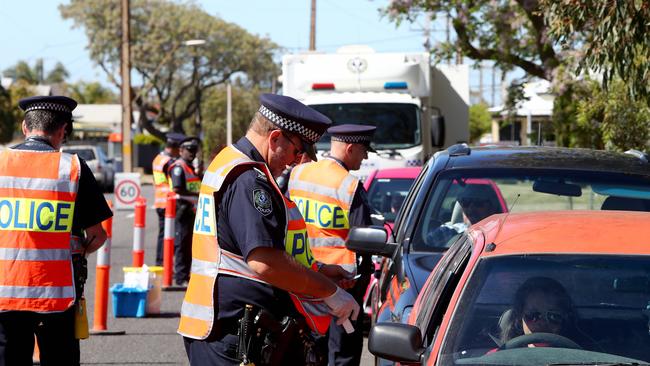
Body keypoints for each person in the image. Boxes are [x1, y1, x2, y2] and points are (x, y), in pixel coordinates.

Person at [178, 94, 360, 366]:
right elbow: (264, 261)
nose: (297, 161)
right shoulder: (249, 181)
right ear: (275, 138)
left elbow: (244, 250)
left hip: (228, 327)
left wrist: (319, 270)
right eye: (298, 151)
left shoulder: (232, 162)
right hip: (232, 333)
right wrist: (330, 292)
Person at [0, 96, 112, 365]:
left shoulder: (1, 163)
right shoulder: (72, 168)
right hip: (56, 295)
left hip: (5, 291)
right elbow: (97, 234)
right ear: (62, 130)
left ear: (25, 127)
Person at [288, 124, 376, 366]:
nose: (365, 156)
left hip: (299, 277)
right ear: (350, 148)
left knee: (307, 349)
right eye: (364, 150)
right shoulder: (348, 184)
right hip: (341, 284)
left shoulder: (299, 174)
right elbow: (364, 241)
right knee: (342, 354)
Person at [498, 277, 578, 347]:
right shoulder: (499, 357)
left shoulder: (581, 359)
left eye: (553, 316)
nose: (542, 323)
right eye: (533, 315)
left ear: (563, 321)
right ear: (520, 317)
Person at [168, 137, 201, 286]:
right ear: (181, 151)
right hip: (182, 208)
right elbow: (177, 188)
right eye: (189, 150)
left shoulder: (190, 167)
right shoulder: (178, 167)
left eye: (194, 151)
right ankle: (180, 277)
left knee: (188, 244)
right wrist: (197, 195)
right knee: (181, 243)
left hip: (192, 210)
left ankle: (187, 274)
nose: (192, 153)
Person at [427, 183, 503, 247]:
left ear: (492, 207)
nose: (471, 209)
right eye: (465, 202)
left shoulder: (502, 235)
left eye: (478, 202)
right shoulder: (448, 232)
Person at [152, 132, 185, 266]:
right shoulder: (170, 162)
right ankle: (164, 264)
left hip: (160, 201)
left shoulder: (158, 158)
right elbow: (175, 183)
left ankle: (161, 263)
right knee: (170, 235)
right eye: (179, 149)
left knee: (163, 235)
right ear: (175, 148)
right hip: (169, 203)